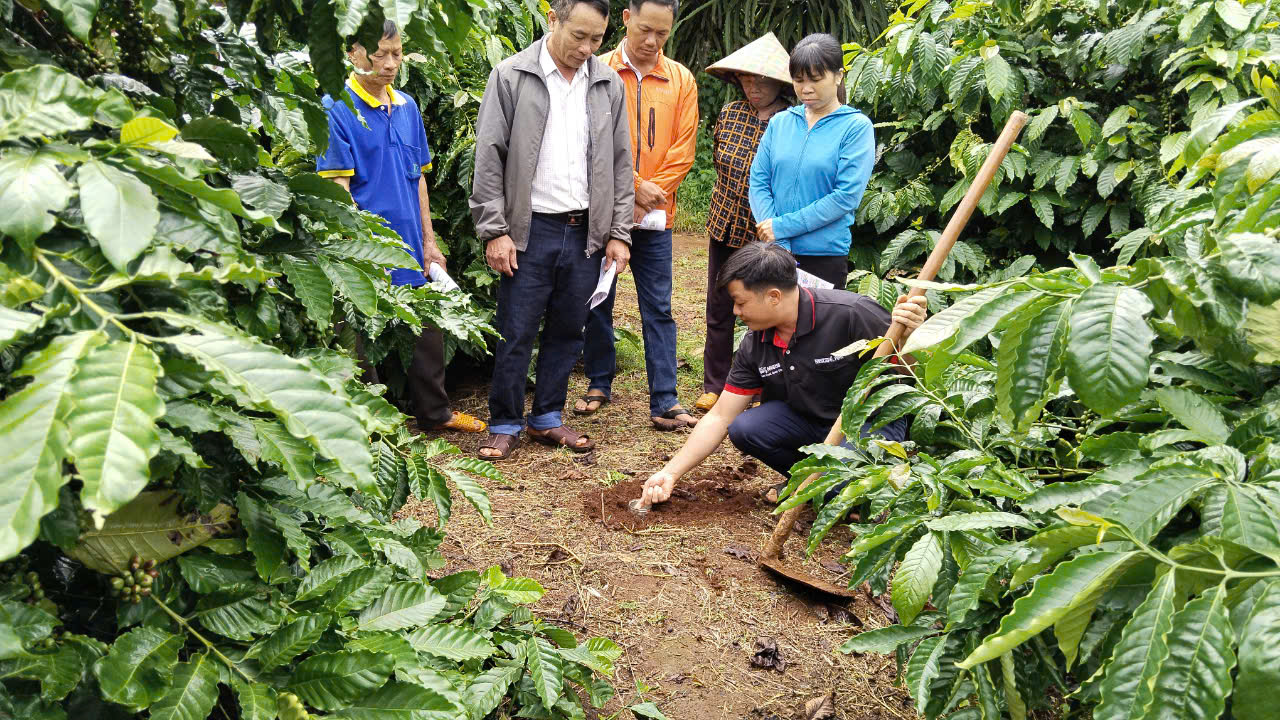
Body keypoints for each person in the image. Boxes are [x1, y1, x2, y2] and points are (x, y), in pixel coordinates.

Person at [638, 242, 927, 507]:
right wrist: (670, 472)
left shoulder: (853, 313)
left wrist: (909, 337)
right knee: (745, 427)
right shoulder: (755, 343)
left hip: (866, 425)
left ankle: (835, 487)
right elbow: (720, 416)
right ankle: (815, 482)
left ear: (774, 296)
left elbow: (909, 373)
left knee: (854, 478)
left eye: (741, 302)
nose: (736, 312)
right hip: (809, 422)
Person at [470, 0, 634, 460]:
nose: (586, 48)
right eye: (577, 35)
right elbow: (489, 157)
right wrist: (494, 230)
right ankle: (503, 423)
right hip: (528, 229)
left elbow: (622, 164)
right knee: (516, 329)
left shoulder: (606, 83)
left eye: (597, 39)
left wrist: (619, 232)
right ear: (553, 20)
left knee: (568, 328)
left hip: (585, 231)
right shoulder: (511, 76)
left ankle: (547, 418)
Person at [316, 21, 486, 435]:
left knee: (426, 328)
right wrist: (363, 249)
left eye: (397, 53)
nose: (391, 64)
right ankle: (368, 424)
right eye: (380, 54)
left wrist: (429, 242)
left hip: (410, 243)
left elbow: (419, 178)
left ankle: (436, 413)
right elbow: (339, 189)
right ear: (354, 53)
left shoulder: (407, 107)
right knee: (357, 335)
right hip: (362, 248)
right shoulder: (335, 107)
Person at [576, 0, 700, 431]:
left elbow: (684, 150)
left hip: (655, 218)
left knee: (659, 306)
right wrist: (631, 185)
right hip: (603, 211)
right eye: (645, 29)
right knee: (598, 298)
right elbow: (589, 141)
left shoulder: (681, 79)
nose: (651, 42)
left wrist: (650, 193)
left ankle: (665, 398)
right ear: (626, 19)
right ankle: (598, 380)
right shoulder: (598, 70)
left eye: (662, 34)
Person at [694, 32, 794, 414]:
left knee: (766, 309)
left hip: (764, 233)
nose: (754, 86)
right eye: (747, 78)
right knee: (719, 307)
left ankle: (762, 386)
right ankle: (715, 384)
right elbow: (721, 159)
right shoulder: (731, 113)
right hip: (724, 223)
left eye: (762, 79)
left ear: (780, 83)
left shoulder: (789, 121)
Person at [749, 33, 876, 288]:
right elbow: (759, 181)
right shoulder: (780, 122)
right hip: (775, 252)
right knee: (773, 327)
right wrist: (777, 240)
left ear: (839, 75)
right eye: (798, 80)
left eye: (815, 80)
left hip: (824, 257)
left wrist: (783, 226)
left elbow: (845, 197)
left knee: (818, 327)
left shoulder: (855, 127)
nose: (806, 89)